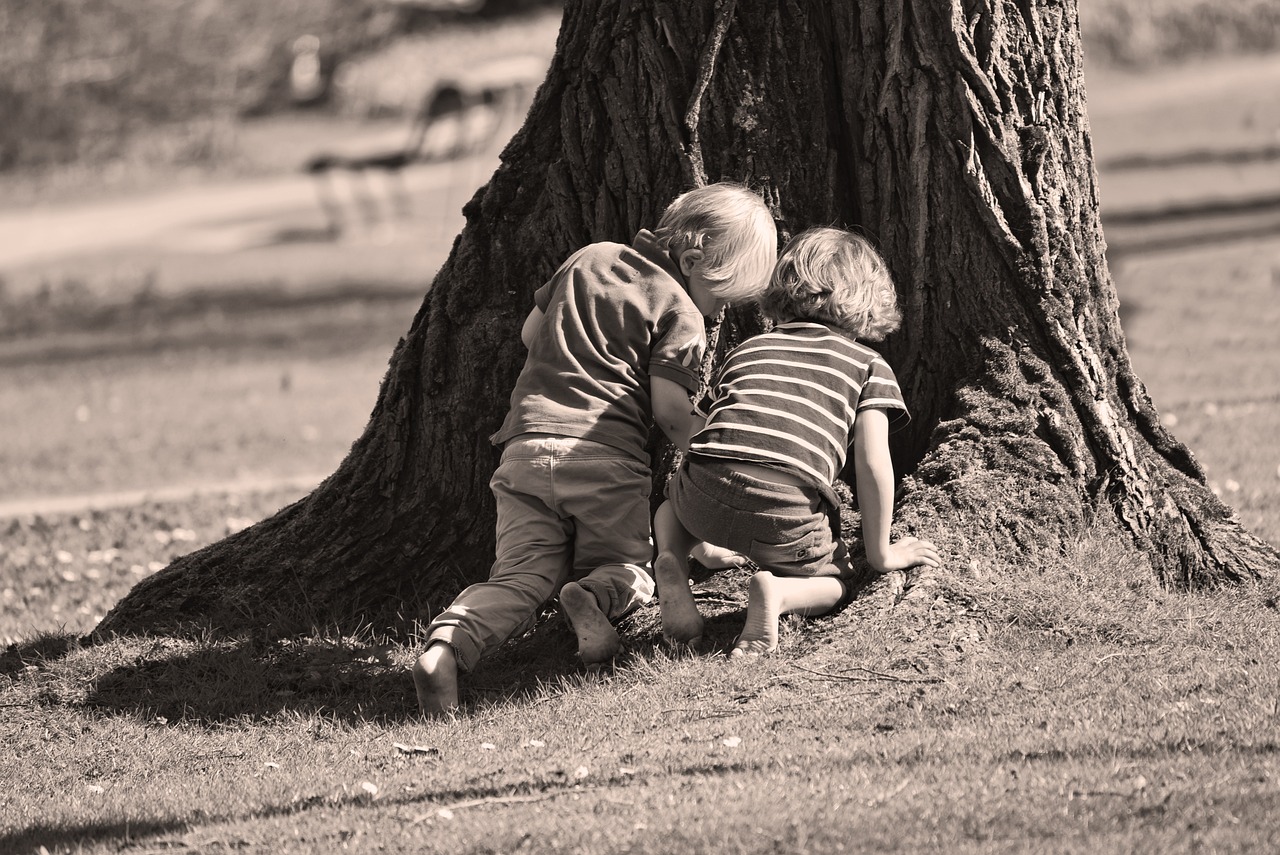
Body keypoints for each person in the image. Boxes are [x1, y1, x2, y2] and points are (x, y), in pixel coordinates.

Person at [413, 183, 779, 716]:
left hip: (526, 450)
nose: (722, 309)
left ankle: (445, 647)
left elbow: (528, 332)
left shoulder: (590, 257)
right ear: (694, 259)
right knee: (626, 566)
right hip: (606, 459)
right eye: (723, 294)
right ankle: (598, 594)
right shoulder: (682, 313)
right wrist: (721, 457)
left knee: (518, 576)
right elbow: (671, 413)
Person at [654, 227, 941, 657]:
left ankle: (672, 562)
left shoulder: (748, 349)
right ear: (869, 299)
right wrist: (881, 553)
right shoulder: (867, 365)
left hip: (702, 493)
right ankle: (779, 594)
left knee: (667, 509)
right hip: (784, 512)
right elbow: (873, 461)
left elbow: (715, 428)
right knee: (836, 581)